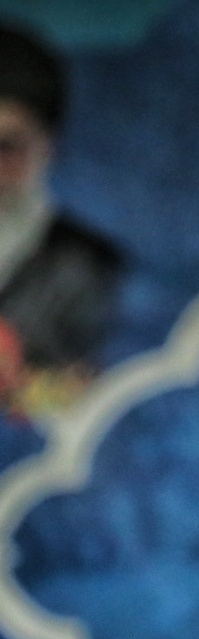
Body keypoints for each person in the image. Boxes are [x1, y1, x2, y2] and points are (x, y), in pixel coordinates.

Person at [0, 24, 121, 418]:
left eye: (5, 147)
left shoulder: (87, 266)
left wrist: (24, 390)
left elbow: (103, 397)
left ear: (46, 146)